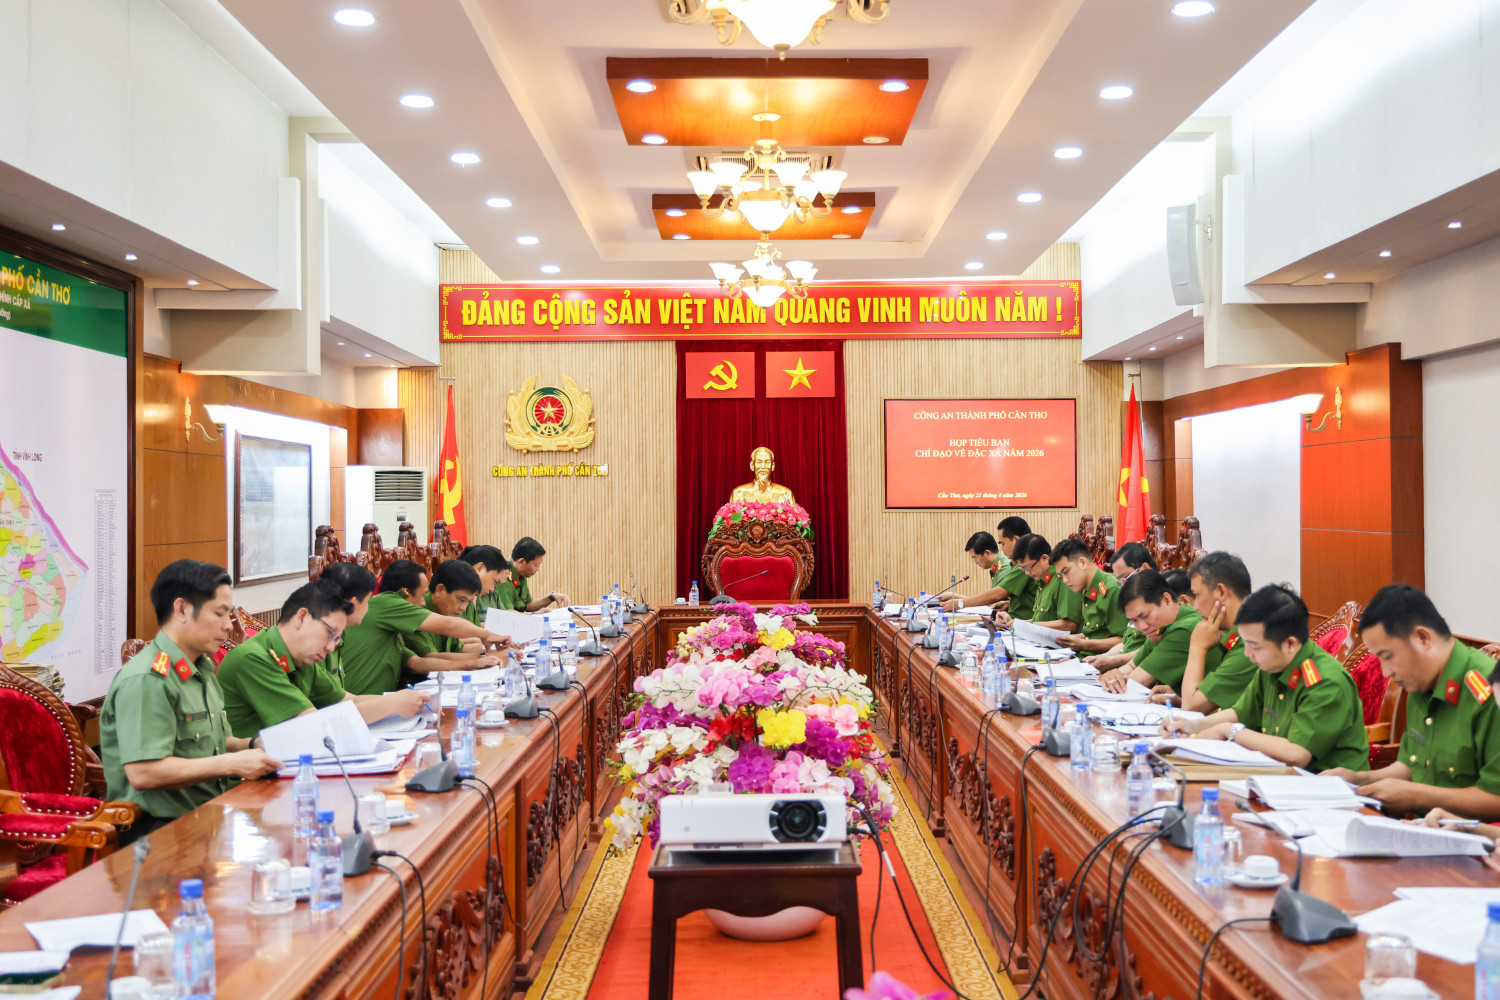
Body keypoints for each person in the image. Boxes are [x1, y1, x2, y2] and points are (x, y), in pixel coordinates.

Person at [100, 560, 283, 841]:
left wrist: (253, 745)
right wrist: (232, 764)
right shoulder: (149, 678)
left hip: (210, 819)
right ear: (182, 610)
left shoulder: (201, 669)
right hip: (158, 835)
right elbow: (144, 772)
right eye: (219, 614)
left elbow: (217, 743)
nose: (228, 626)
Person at [1320, 585, 1500, 821]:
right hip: (1421, 829)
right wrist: (1360, 779)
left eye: (1388, 656)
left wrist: (1417, 796)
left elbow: (1496, 799)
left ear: (1422, 638)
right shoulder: (1421, 681)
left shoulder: (1488, 691)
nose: (1385, 673)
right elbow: (1410, 766)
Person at [1161, 585, 1368, 772]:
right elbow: (1240, 713)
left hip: (1325, 788)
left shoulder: (1325, 681)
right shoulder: (1272, 664)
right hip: (1278, 775)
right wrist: (1193, 726)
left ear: (1289, 644)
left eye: (1255, 646)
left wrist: (1230, 732)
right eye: (1246, 644)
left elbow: (1296, 754)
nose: (1247, 654)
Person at [218, 580, 430, 737]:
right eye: (330, 633)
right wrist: (391, 704)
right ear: (302, 617)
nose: (330, 647)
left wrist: (408, 701)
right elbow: (313, 725)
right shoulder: (253, 659)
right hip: (249, 780)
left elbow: (348, 700)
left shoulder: (302, 658)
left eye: (337, 639)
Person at [341, 559, 516, 696]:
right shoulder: (385, 602)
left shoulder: (391, 633)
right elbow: (449, 627)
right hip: (360, 708)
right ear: (405, 592)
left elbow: (418, 663)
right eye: (423, 595)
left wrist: (476, 663)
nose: (423, 603)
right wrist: (487, 635)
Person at [1101, 569, 1219, 695]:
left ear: (1167, 600)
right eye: (1134, 621)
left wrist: (1111, 679)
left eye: (1145, 615)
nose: (1141, 627)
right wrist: (1109, 677)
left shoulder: (1184, 629)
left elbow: (1131, 685)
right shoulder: (1161, 626)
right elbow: (1131, 666)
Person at [1176, 552, 1258, 713]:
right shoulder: (1231, 634)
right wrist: (1180, 698)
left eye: (1197, 595)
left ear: (1220, 591)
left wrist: (1197, 646)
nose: (1195, 607)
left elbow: (1191, 706)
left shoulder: (1250, 644)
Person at [1049, 537, 1128, 653]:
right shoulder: (1086, 588)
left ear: (1082, 563)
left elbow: (1124, 641)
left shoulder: (1111, 589)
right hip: (1083, 658)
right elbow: (1093, 633)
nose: (1065, 580)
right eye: (1061, 575)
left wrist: (1083, 644)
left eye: (1066, 572)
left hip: (1101, 661)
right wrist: (1067, 639)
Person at [995, 535, 1081, 631]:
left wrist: (1028, 625)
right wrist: (1013, 623)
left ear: (1044, 558)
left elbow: (1069, 625)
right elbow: (1040, 621)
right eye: (1023, 569)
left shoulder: (1063, 580)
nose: (1027, 573)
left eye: (1029, 567)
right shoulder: (1041, 583)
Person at [942, 531, 1035, 614]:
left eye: (974, 557)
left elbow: (993, 599)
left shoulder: (1005, 568)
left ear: (987, 553)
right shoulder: (997, 567)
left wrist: (959, 601)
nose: (975, 562)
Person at [408, 559, 486, 657]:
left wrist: (491, 652)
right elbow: (432, 660)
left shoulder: (445, 612)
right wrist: (484, 658)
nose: (463, 608)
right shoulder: (418, 613)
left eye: (468, 602)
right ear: (440, 590)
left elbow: (457, 648)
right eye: (461, 600)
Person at [318, 562, 378, 683]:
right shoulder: (315, 640)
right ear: (352, 603)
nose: (368, 607)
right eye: (368, 601)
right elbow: (328, 694)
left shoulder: (335, 633)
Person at [502, 537, 570, 613]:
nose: (538, 569)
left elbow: (528, 605)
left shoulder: (521, 575)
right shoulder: (502, 576)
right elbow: (508, 613)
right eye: (536, 565)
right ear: (521, 562)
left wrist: (551, 597)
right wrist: (533, 614)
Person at [457, 544, 512, 625]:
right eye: (494, 581)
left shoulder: (470, 598)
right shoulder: (455, 593)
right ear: (479, 568)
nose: (492, 589)